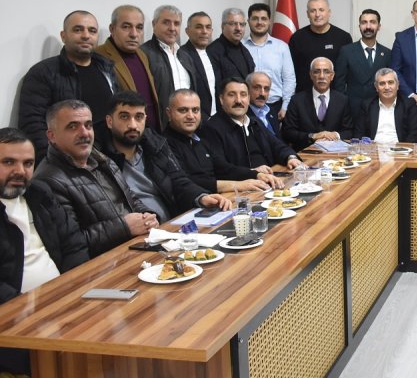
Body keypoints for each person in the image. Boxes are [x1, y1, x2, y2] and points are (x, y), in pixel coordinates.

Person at [0, 128, 89, 377]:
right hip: (15, 324)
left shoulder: (39, 194)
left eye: (28, 163)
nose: (20, 171)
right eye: (8, 162)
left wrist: (73, 295)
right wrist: (34, 310)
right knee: (74, 362)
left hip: (63, 304)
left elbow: (74, 246)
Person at [32, 100, 159, 257]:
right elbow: (73, 244)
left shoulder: (101, 159)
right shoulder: (47, 181)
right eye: (73, 126)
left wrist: (147, 216)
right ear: (51, 136)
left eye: (88, 125)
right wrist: (124, 227)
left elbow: (130, 198)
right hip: (106, 262)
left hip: (138, 246)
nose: (84, 133)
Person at [99, 91, 231, 220]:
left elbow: (178, 180)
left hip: (173, 222)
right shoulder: (100, 159)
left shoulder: (155, 145)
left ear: (145, 119)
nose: (133, 125)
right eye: (124, 117)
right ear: (109, 121)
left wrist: (201, 197)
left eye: (138, 117)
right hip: (138, 227)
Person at [18, 10, 118, 162]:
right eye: (78, 30)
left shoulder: (107, 69)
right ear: (63, 36)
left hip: (108, 159)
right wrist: (56, 163)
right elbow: (32, 125)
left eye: (92, 31)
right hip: (69, 162)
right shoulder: (44, 73)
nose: (86, 35)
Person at [162, 90, 279, 193]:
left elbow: (223, 168)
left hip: (220, 199)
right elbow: (186, 182)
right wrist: (236, 185)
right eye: (183, 110)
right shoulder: (164, 145)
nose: (191, 116)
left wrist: (256, 175)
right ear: (169, 113)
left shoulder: (199, 138)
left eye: (195, 110)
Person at [200, 78, 303, 172]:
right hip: (242, 184)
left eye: (243, 95)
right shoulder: (211, 128)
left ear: (248, 98)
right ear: (221, 99)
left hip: (270, 178)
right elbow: (220, 167)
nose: (238, 100)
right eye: (232, 95)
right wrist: (253, 172)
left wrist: (290, 157)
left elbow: (277, 145)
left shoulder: (254, 121)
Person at [95, 4, 160, 132]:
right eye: (126, 27)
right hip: (122, 134)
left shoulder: (142, 54)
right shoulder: (98, 56)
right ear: (112, 29)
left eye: (139, 27)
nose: (134, 34)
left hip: (150, 132)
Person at [140, 4, 197, 130]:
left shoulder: (186, 56)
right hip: (160, 128)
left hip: (187, 125)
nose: (172, 28)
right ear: (154, 24)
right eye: (166, 22)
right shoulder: (143, 54)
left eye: (176, 23)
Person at [283, 58, 354, 151]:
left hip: (335, 154)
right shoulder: (297, 100)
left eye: (326, 72)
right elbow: (288, 132)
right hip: (305, 154)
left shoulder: (342, 100)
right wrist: (312, 136)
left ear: (332, 76)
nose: (321, 76)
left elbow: (349, 131)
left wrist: (335, 135)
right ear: (311, 75)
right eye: (317, 72)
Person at [243, 2, 296, 124]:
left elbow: (289, 79)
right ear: (248, 21)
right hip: (247, 107)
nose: (259, 22)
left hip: (275, 107)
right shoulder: (240, 46)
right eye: (255, 18)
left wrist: (285, 106)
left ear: (269, 21)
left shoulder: (281, 47)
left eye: (263, 19)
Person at [334, 9, 392, 119]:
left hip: (380, 111)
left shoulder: (387, 53)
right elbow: (339, 85)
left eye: (372, 22)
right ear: (359, 26)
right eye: (364, 22)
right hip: (353, 111)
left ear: (379, 26)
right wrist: (344, 109)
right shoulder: (346, 51)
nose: (368, 26)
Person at [289, 0, 353, 94]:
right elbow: (291, 72)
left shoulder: (343, 38)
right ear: (307, 14)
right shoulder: (297, 38)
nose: (317, 14)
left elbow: (348, 73)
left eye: (321, 10)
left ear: (329, 12)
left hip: (336, 97)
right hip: (304, 97)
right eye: (313, 11)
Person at [355, 68, 417, 144]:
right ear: (376, 87)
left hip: (400, 149)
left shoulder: (409, 105)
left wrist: (401, 149)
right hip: (373, 148)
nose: (387, 87)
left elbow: (414, 135)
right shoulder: (367, 105)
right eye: (382, 83)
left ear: (397, 85)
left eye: (390, 82)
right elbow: (359, 134)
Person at [178, 11, 222, 117]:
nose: (204, 31)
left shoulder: (214, 54)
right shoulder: (181, 55)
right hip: (195, 118)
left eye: (208, 27)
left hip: (216, 117)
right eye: (199, 27)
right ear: (187, 31)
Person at [207, 7, 255, 83]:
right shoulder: (212, 51)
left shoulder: (245, 50)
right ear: (222, 26)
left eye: (242, 24)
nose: (238, 28)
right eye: (233, 24)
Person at [247, 71, 280, 136]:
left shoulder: (271, 111)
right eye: (257, 88)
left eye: (266, 89)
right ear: (247, 89)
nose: (262, 93)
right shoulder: (243, 115)